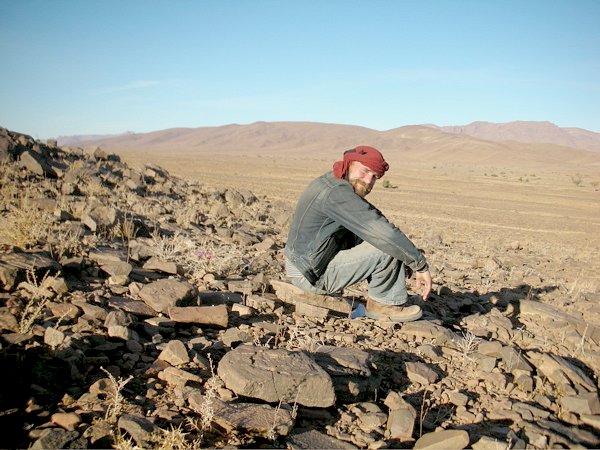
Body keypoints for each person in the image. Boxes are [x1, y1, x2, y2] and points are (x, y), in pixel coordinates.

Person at [284, 146, 432, 322]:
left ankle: (390, 295)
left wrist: (407, 255)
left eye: (375, 176)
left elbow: (372, 217)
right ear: (350, 164)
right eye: (365, 171)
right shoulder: (336, 193)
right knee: (386, 246)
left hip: (306, 263)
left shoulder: (333, 182)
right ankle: (383, 305)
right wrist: (419, 264)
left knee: (393, 243)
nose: (368, 180)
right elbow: (383, 233)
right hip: (309, 275)